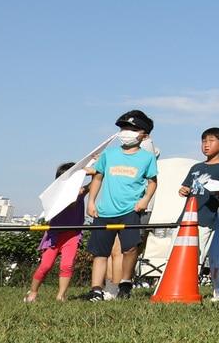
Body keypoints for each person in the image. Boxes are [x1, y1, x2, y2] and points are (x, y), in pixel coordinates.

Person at [84, 110, 158, 302]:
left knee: (130, 249)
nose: (126, 132)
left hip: (130, 211)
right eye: (124, 128)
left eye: (132, 129)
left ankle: (125, 283)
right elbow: (98, 177)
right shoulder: (109, 154)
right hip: (104, 210)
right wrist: (91, 201)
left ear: (144, 134)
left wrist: (145, 200)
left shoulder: (147, 157)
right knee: (100, 252)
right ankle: (96, 289)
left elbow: (152, 181)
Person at [178, 127, 219, 299]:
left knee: (199, 254)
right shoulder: (196, 167)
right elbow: (187, 186)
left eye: (211, 141)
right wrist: (183, 190)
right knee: (183, 251)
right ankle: (182, 284)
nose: (206, 145)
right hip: (187, 216)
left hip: (206, 218)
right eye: (204, 141)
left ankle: (196, 288)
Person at [25, 162, 87, 303]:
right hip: (54, 235)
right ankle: (33, 292)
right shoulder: (55, 195)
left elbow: (97, 177)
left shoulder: (81, 192)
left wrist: (87, 167)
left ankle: (61, 295)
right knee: (45, 265)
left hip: (72, 235)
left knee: (67, 265)